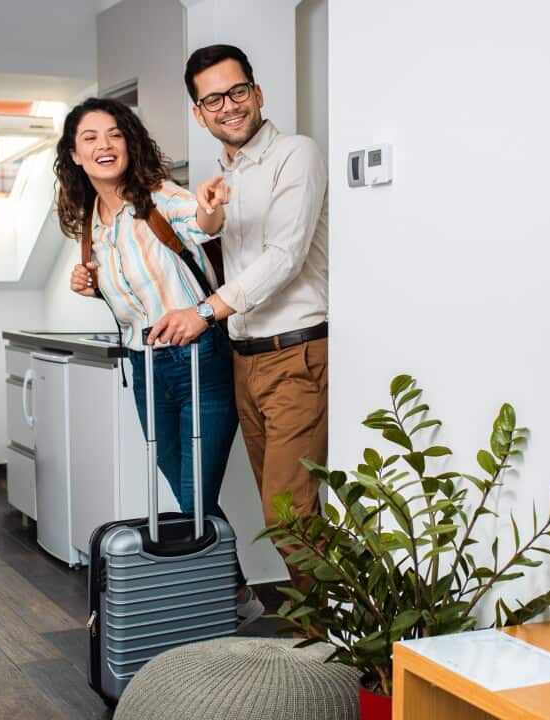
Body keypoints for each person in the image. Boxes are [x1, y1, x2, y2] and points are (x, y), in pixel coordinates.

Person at [58, 97, 263, 624]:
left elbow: (199, 222)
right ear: (75, 155)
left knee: (195, 494)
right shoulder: (89, 223)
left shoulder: (156, 197)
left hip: (200, 356)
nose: (104, 145)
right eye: (90, 138)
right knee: (177, 482)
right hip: (145, 364)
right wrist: (87, 281)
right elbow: (126, 290)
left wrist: (211, 206)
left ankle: (222, 597)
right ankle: (232, 593)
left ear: (129, 142)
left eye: (114, 134)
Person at [150, 45, 329, 592]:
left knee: (288, 514)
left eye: (237, 91)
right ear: (198, 114)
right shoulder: (220, 177)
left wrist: (204, 312)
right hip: (245, 359)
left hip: (295, 353)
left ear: (258, 94)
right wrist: (207, 223)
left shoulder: (296, 154)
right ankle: (320, 636)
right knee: (284, 514)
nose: (228, 106)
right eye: (212, 99)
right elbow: (221, 260)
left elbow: (284, 256)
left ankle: (330, 646)